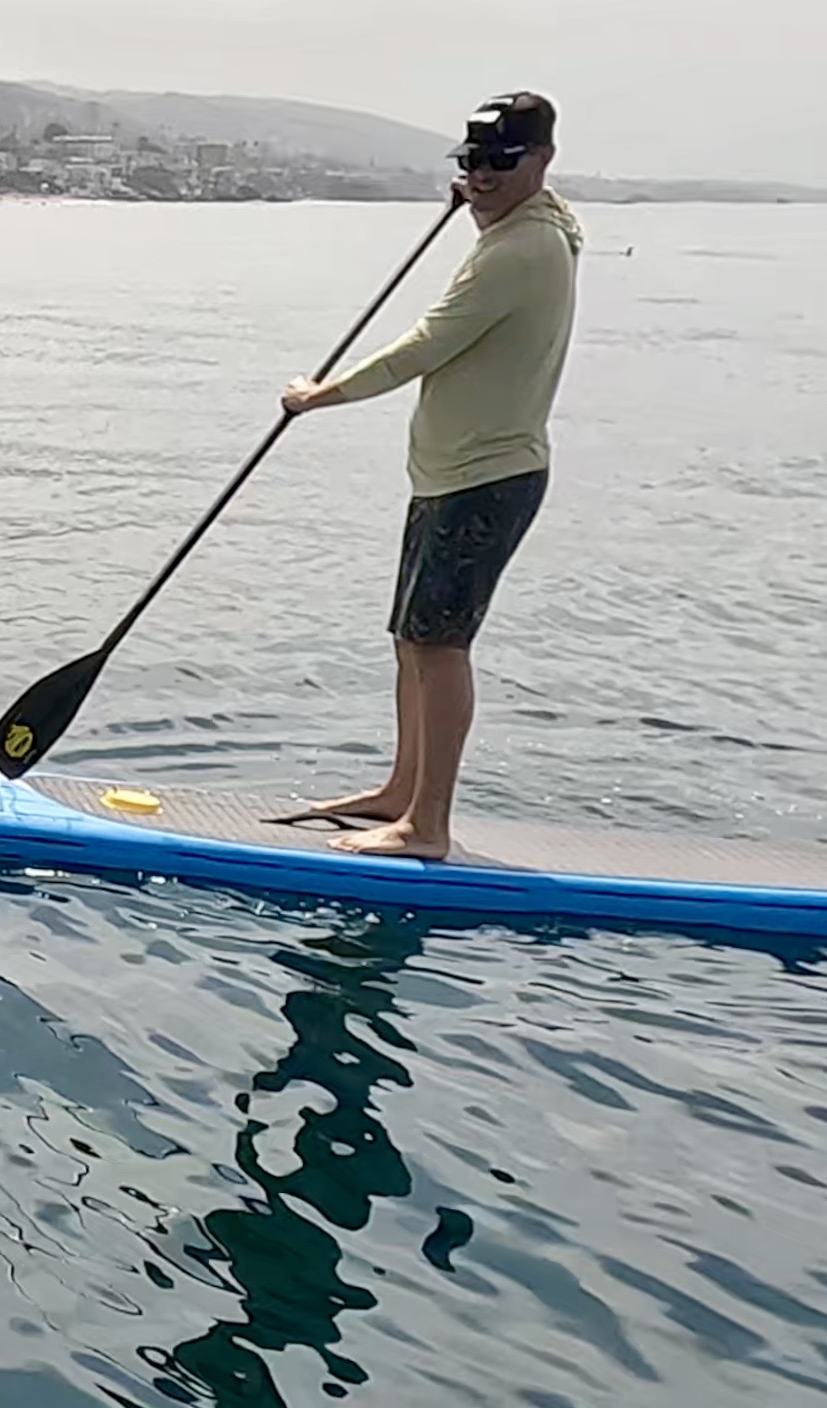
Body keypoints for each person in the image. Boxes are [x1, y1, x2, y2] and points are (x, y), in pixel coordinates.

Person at [277, 91, 584, 861]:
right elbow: (537, 211)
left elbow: (424, 345)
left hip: (486, 475)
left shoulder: (519, 252)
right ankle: (398, 791)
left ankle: (427, 826)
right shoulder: (535, 224)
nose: (479, 176)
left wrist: (323, 395)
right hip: (450, 471)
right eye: (470, 162)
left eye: (498, 163)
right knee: (410, 640)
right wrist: (483, 200)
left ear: (541, 161)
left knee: (439, 645)